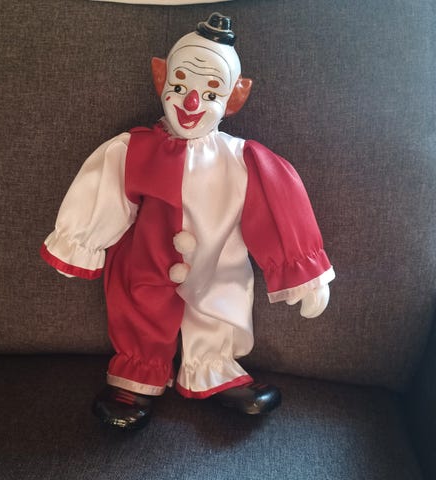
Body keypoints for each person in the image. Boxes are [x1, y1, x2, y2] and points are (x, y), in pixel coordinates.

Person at [41, 13, 335, 430]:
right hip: (146, 259)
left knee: (219, 303)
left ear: (235, 98)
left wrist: (303, 270)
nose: (191, 103)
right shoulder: (133, 149)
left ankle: (212, 368)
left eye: (210, 92)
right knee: (139, 302)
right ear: (161, 79)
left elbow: (277, 207)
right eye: (180, 87)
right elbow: (105, 190)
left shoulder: (242, 160)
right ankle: (137, 373)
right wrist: (80, 241)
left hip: (217, 261)